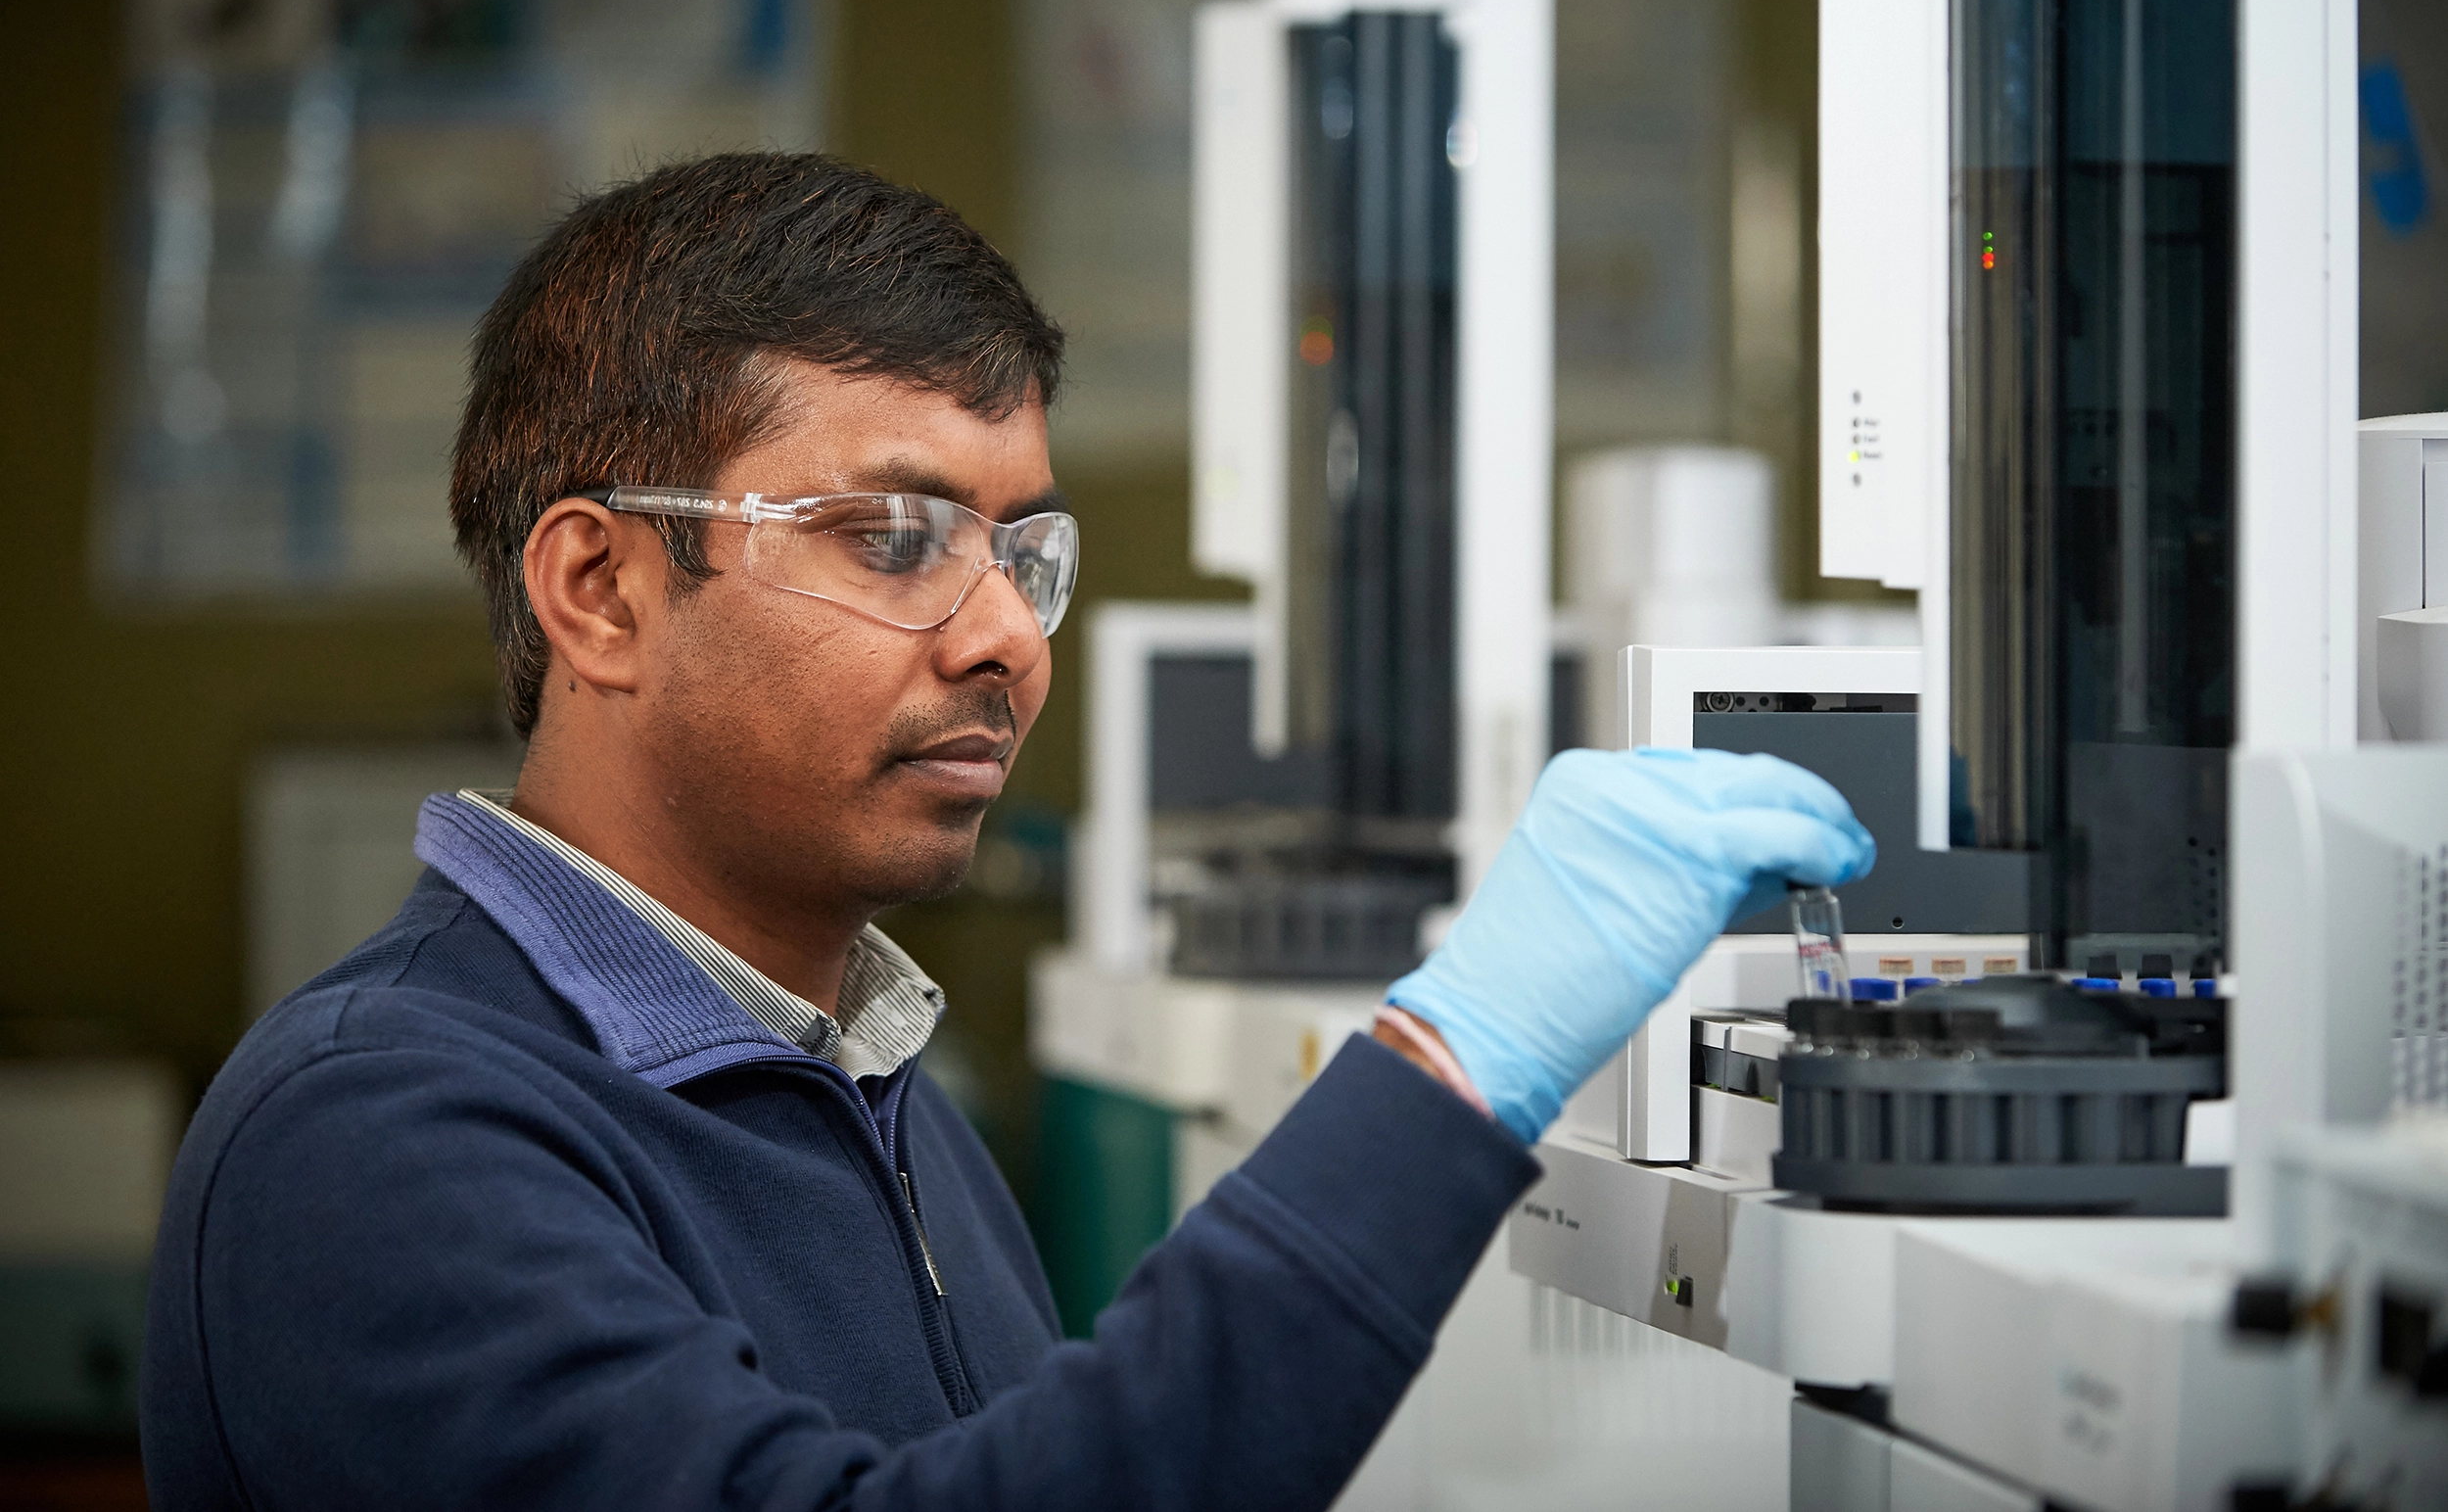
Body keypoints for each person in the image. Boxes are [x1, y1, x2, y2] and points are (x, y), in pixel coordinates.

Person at [140, 153, 1872, 1510]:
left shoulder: (873, 1077)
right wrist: (1447, 1067)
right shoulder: (379, 1132)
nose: (1006, 638)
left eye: (1019, 550)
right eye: (893, 536)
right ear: (600, 589)